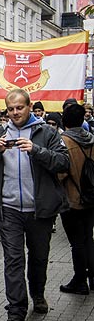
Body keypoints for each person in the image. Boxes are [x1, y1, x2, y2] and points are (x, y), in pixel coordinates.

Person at [0, 88, 69, 321]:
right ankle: (16, 309)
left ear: (29, 106)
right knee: (13, 260)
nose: (15, 112)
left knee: (39, 257)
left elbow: (63, 162)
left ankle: (37, 294)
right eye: (11, 109)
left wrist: (36, 150)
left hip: (40, 210)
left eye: (20, 107)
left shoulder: (46, 132)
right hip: (8, 210)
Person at [59, 104, 94, 294]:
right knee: (89, 237)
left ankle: (79, 280)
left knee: (77, 242)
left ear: (64, 120)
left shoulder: (64, 141)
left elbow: (61, 173)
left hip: (72, 198)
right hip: (91, 197)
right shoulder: (91, 139)